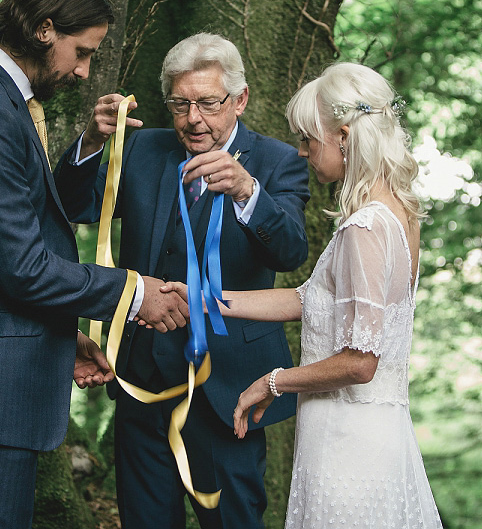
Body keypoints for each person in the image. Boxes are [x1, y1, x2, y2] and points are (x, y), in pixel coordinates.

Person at [0, 0, 188, 529]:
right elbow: (24, 267)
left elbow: (9, 240)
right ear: (44, 29)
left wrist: (62, 335)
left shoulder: (1, 100)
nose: (83, 73)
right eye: (81, 52)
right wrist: (134, 292)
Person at [54, 33, 310, 529]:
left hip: (230, 391)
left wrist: (247, 191)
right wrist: (90, 142)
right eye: (180, 103)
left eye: (209, 103)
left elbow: (291, 250)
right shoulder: (143, 149)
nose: (194, 118)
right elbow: (69, 206)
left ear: (240, 100)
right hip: (139, 383)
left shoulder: (279, 162)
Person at [171, 62, 443, 528]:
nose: (301, 153)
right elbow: (307, 299)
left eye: (308, 140)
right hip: (377, 433)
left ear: (343, 136)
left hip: (349, 446)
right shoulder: (397, 214)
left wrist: (272, 381)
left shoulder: (365, 227)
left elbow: (360, 362)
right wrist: (205, 298)